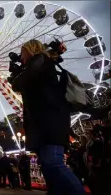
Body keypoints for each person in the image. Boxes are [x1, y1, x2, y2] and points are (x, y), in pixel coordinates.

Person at [11, 39, 86, 195]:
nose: (21, 57)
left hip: (50, 122)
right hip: (42, 123)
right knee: (47, 165)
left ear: (31, 51)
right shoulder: (38, 65)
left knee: (53, 163)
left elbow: (19, 84)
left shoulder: (41, 61)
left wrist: (19, 72)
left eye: (23, 53)